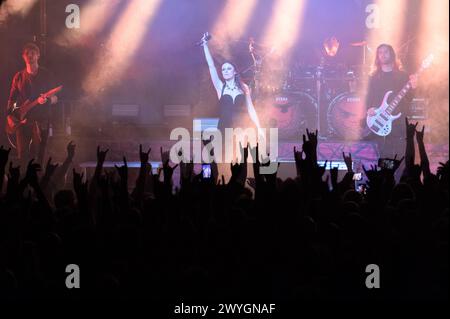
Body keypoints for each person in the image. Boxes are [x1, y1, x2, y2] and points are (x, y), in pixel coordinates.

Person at [200, 32, 263, 163]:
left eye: (229, 69)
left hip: (240, 129)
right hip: (223, 129)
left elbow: (251, 110)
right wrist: (205, 45)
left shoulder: (244, 88)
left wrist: (260, 127)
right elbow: (211, 66)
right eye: (223, 70)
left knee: (239, 161)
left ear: (234, 71)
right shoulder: (220, 87)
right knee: (221, 160)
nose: (226, 71)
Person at [6, 42, 59, 163]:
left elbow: (56, 98)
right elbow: (11, 99)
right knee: (22, 156)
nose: (30, 56)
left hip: (41, 121)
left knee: (40, 157)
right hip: (23, 121)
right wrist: (10, 116)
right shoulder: (18, 76)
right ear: (23, 57)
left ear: (38, 55)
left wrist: (48, 99)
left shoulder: (46, 75)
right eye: (27, 54)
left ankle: (40, 180)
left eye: (33, 53)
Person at [365, 43, 418, 158]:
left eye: (386, 52)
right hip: (380, 121)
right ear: (377, 57)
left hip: (399, 122)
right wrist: (369, 109)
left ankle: (401, 175)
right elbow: (369, 97)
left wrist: (414, 87)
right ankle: (386, 175)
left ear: (392, 54)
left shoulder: (403, 76)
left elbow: (409, 98)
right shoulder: (374, 77)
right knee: (384, 156)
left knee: (402, 155)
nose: (383, 55)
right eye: (380, 52)